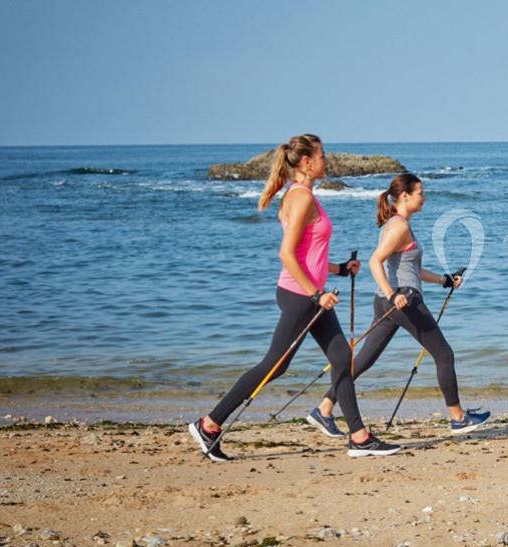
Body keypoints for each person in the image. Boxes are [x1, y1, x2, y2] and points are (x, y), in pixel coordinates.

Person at [187, 134, 401, 460]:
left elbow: (307, 255)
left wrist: (339, 269)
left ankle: (359, 437)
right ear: (306, 162)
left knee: (341, 359)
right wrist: (316, 294)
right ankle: (210, 423)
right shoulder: (301, 198)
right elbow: (287, 254)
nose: (326, 160)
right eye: (322, 154)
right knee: (274, 365)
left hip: (308, 294)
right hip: (302, 296)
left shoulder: (302, 196)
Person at [309, 172, 491, 435]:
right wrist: (393, 294)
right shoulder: (399, 226)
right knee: (444, 354)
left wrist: (444, 280)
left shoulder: (395, 223)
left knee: (363, 360)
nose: (424, 198)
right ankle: (458, 417)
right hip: (402, 302)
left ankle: (324, 408)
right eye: (420, 193)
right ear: (405, 196)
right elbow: (375, 261)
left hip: (387, 302)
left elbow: (411, 268)